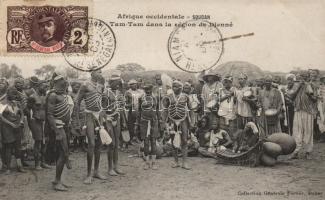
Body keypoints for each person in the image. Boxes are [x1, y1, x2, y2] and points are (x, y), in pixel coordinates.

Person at [76, 70, 107, 184]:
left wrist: (103, 113)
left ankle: (96, 171)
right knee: (91, 144)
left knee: (99, 144)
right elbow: (77, 102)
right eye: (97, 71)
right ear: (92, 73)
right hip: (88, 115)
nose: (100, 73)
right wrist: (77, 120)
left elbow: (102, 100)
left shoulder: (101, 85)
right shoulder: (85, 85)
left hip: (99, 116)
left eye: (101, 71)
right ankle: (88, 174)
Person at [46, 75, 72, 191]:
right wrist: (56, 131)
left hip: (64, 126)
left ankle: (58, 179)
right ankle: (57, 181)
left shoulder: (63, 95)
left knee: (63, 152)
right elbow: (49, 115)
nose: (65, 85)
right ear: (56, 84)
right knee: (63, 152)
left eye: (65, 84)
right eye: (63, 84)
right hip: (58, 127)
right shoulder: (53, 95)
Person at [289, 71, 318, 159]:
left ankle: (308, 152)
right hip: (298, 110)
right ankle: (296, 152)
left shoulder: (312, 85)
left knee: (308, 131)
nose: (301, 79)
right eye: (299, 77)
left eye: (303, 77)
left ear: (307, 78)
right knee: (297, 131)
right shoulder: (296, 85)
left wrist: (309, 94)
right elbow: (291, 97)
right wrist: (298, 88)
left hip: (308, 112)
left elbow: (315, 99)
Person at [164, 80, 191, 170]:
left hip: (183, 120)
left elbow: (191, 109)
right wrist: (165, 122)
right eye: (173, 86)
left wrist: (192, 122)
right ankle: (176, 161)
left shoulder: (186, 96)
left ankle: (185, 162)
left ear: (181, 87)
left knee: (184, 140)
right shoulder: (168, 97)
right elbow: (165, 109)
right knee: (173, 140)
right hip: (172, 121)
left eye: (176, 86)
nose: (174, 88)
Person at [103, 74, 126, 176]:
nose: (117, 85)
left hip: (118, 119)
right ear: (111, 82)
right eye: (116, 83)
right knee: (111, 144)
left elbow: (121, 108)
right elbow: (102, 109)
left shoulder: (119, 93)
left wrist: (123, 120)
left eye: (118, 83)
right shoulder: (105, 93)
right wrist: (106, 120)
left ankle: (116, 166)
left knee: (116, 144)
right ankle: (110, 168)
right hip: (109, 119)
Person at [26, 77, 51, 170]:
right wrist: (33, 116)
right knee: (38, 141)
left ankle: (43, 162)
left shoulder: (45, 97)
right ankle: (37, 164)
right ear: (38, 86)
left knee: (45, 142)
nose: (45, 88)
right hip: (35, 122)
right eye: (44, 87)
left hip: (44, 121)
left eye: (46, 87)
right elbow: (26, 109)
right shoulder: (32, 97)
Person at [0, 86, 26, 174]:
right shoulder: (2, 103)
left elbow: (21, 113)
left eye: (16, 94)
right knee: (8, 147)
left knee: (18, 146)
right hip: (7, 128)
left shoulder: (17, 104)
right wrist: (11, 124)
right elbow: (1, 117)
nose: (15, 96)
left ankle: (19, 166)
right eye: (13, 94)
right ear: (7, 94)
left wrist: (21, 121)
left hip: (17, 127)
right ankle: (8, 168)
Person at [136, 83, 160, 170]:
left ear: (152, 89)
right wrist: (137, 124)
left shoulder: (156, 98)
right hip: (144, 122)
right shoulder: (141, 98)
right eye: (146, 90)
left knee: (153, 141)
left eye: (150, 89)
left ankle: (153, 162)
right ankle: (146, 162)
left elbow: (158, 110)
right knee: (146, 142)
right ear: (144, 90)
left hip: (153, 122)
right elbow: (138, 111)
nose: (148, 91)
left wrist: (160, 122)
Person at [14, 76, 31, 167]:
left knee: (25, 139)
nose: (18, 84)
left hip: (24, 117)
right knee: (19, 140)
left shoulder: (24, 92)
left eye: (20, 83)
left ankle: (23, 159)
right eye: (17, 83)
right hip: (17, 117)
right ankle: (18, 160)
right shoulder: (14, 93)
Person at [70, 81, 86, 152]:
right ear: (72, 87)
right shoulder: (70, 95)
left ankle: (82, 145)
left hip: (82, 114)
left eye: (79, 87)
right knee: (75, 129)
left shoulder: (82, 94)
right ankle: (75, 146)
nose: (78, 88)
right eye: (76, 87)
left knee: (83, 129)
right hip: (74, 114)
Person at [125, 79, 143, 144]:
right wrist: (130, 104)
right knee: (131, 125)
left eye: (135, 84)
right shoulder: (128, 92)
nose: (134, 85)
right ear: (130, 85)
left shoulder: (140, 91)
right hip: (131, 111)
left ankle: (137, 138)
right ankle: (131, 138)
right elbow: (125, 103)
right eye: (132, 84)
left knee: (138, 125)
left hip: (139, 110)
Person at [0, 78, 9, 171]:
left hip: (6, 123)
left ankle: (5, 164)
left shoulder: (9, 96)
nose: (0, 84)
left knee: (5, 143)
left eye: (3, 83)